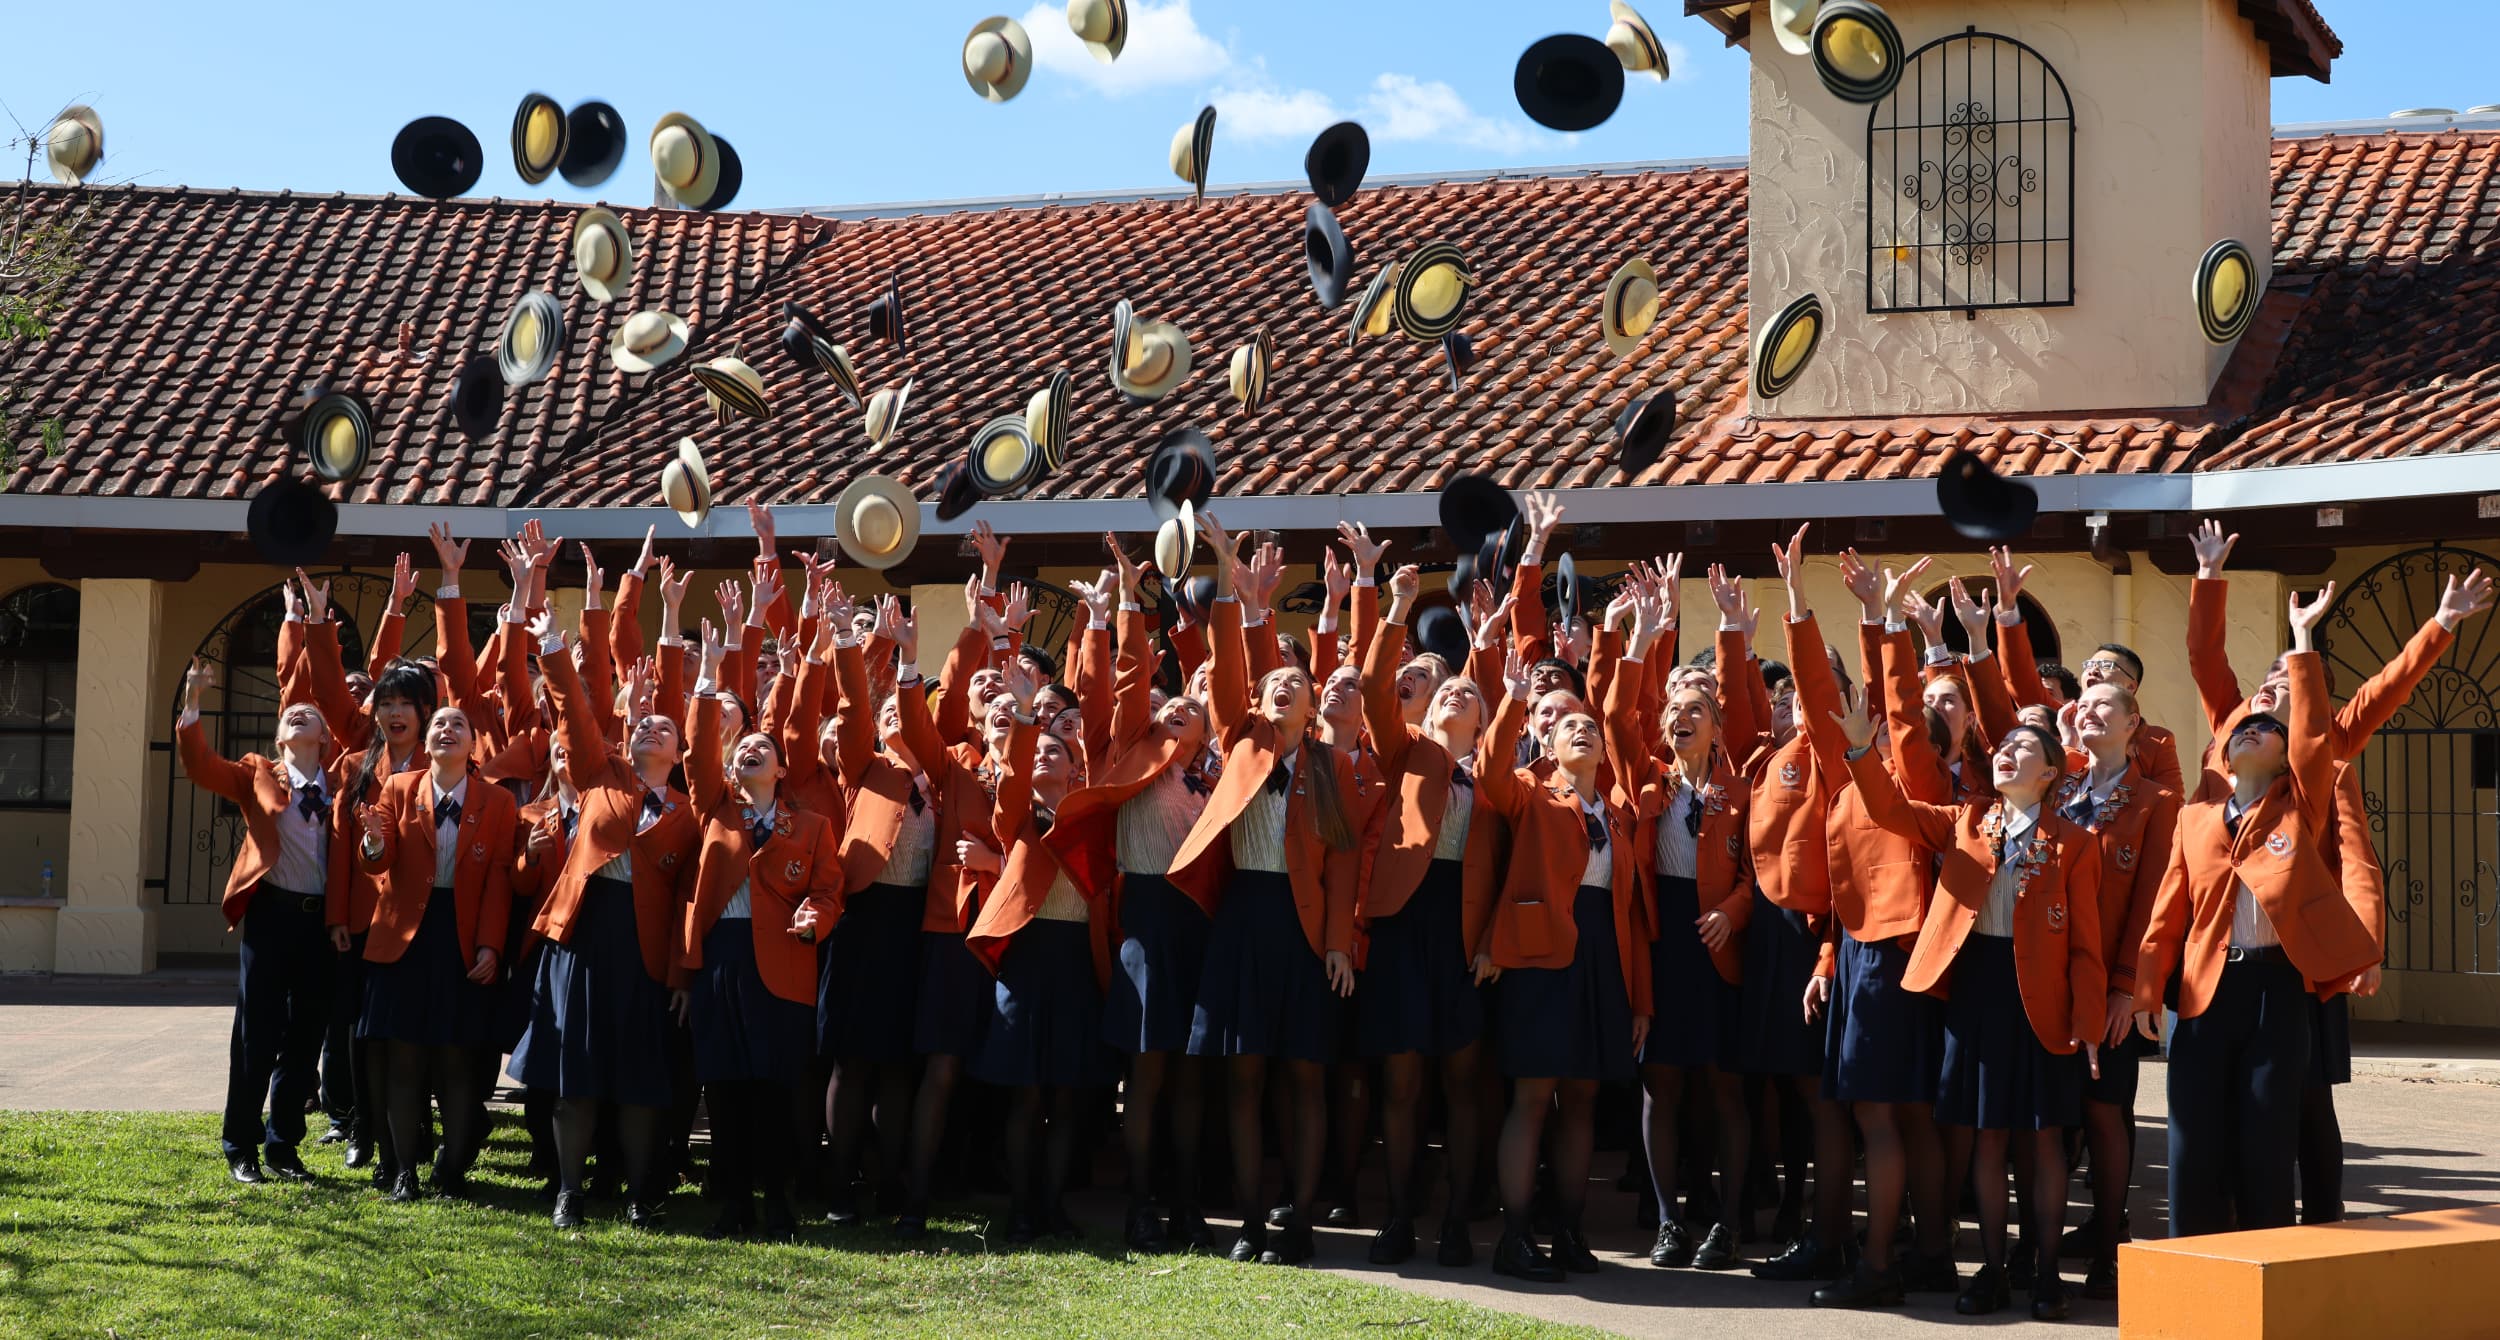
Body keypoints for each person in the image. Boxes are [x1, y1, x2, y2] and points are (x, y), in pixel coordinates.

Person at [1837, 649, 2104, 1322]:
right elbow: (1892, 810)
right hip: (1978, 989)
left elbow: (2085, 945)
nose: (2009, 754)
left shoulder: (2073, 842)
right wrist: (1862, 749)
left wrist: (2090, 1020)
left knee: (2042, 1138)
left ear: (2051, 774)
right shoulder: (1967, 822)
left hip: (2042, 1000)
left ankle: (2045, 1273)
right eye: (2004, 747)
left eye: (2025, 750)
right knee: (1985, 1135)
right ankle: (1990, 1270)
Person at [1168, 516, 1361, 1267]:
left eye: (1297, 685)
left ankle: (1301, 1222)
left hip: (1306, 930)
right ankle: (1249, 1222)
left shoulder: (1332, 768)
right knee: (1243, 1080)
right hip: (1243, 921)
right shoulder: (1241, 742)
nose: (1284, 688)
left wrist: (1340, 942)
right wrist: (1235, 589)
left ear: (1314, 706)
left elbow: (1344, 862)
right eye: (1274, 682)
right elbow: (1224, 672)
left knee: (1305, 1080)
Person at [1476, 605, 1654, 1284]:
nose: (1581, 729)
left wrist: (1637, 996)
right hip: (1539, 962)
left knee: (1581, 1097)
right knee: (1532, 1095)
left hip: (1600, 963)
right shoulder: (1528, 792)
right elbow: (1491, 769)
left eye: (1591, 727)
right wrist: (1515, 699)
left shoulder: (1616, 812)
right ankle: (1515, 1235)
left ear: (1605, 753)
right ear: (1548, 746)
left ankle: (1569, 1235)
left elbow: (1630, 913)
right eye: (1568, 726)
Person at [512, 606, 701, 1230]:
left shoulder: (690, 810)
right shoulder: (602, 773)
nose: (650, 731)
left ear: (680, 751)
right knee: (576, 1073)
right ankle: (570, 1189)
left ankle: (640, 1194)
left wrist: (679, 974)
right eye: (643, 724)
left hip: (645, 949)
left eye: (664, 730)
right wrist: (555, 648)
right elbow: (574, 714)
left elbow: (687, 900)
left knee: (641, 1080)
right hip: (585, 938)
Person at [1804, 552, 1957, 1308]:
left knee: (1880, 1115)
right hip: (1870, 953)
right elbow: (1818, 697)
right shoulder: (1856, 779)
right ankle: (1929, 1253)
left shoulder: (1919, 782)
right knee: (1909, 1116)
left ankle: (1878, 1268)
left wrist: (1881, 622)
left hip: (1892, 958)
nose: (1874, 729)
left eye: (1903, 735)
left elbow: (1900, 709)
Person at [1356, 564, 1502, 1267]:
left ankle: (1455, 1221)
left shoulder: (1499, 773)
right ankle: (1398, 1217)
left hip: (1465, 929)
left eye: (1467, 692)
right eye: (1445, 690)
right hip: (1404, 922)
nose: (1453, 695)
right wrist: (1397, 606)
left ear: (1483, 716)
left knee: (1464, 1082)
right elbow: (1376, 695)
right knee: (1402, 1080)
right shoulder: (1405, 752)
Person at [1613, 569, 1756, 1274]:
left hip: (1719, 942)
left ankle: (1726, 1224)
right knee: (1661, 1084)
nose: (1681, 715)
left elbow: (1765, 871)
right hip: (1664, 940)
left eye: (1696, 706)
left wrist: (1733, 911)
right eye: (1673, 708)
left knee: (1725, 1087)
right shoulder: (1649, 779)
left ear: (1720, 725)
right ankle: (1668, 1221)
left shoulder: (1741, 786)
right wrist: (1645, 633)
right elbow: (1617, 717)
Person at [683, 628, 842, 1241]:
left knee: (777, 1091)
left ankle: (778, 1201)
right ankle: (733, 1204)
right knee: (724, 1088)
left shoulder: (811, 825)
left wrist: (815, 918)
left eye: (761, 749)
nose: (750, 752)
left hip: (783, 968)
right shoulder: (714, 810)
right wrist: (708, 675)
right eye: (741, 748)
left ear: (781, 770)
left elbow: (829, 891)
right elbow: (697, 753)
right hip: (722, 959)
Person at [176, 654, 343, 1186]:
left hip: (323, 925)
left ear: (324, 735)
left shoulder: (347, 780)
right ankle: (240, 1145)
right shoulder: (257, 773)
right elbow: (201, 766)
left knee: (304, 1039)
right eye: (289, 713)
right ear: (278, 736)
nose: (298, 714)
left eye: (308, 713)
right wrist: (193, 702)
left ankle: (283, 1145)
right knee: (256, 1034)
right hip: (271, 917)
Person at [966, 660, 1119, 1240]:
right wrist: (1028, 713)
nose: (1045, 757)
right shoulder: (1016, 813)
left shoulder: (1092, 816)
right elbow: (1008, 782)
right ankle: (1021, 1207)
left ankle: (1052, 1207)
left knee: (1068, 1096)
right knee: (1025, 1097)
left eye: (1058, 752)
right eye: (1037, 752)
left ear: (1077, 766)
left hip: (1076, 960)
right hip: (1026, 961)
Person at [2046, 674, 2180, 1301]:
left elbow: (2153, 902)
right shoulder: (2057, 788)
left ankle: (2107, 1249)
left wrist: (2127, 989)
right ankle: (2039, 1248)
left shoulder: (2155, 800)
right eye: (2085, 704)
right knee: (2048, 1119)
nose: (2090, 711)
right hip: (2049, 982)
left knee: (2104, 1114)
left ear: (2134, 726)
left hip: (2109, 987)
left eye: (2107, 706)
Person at [353, 702, 519, 1202]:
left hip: (461, 939)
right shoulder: (400, 788)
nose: (448, 730)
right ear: (426, 742)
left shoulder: (498, 802)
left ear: (473, 745)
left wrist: (490, 943)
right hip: (405, 940)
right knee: (403, 1059)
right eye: (440, 724)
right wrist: (374, 843)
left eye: (459, 725)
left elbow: (499, 880)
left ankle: (451, 1169)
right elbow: (377, 860)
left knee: (456, 1060)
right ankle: (404, 1169)